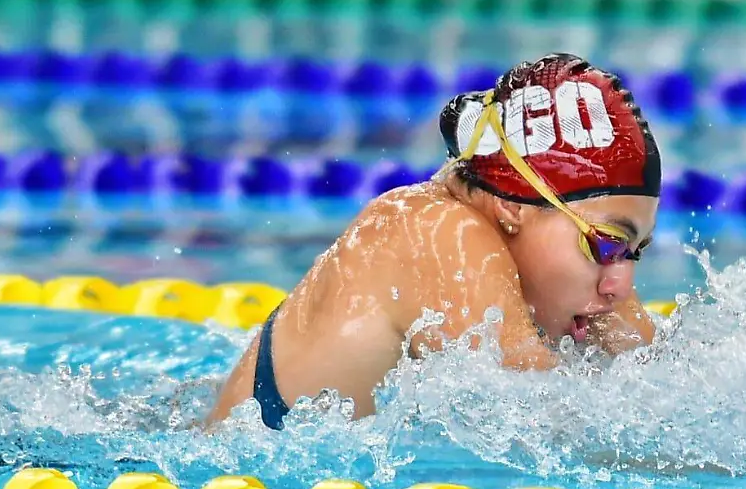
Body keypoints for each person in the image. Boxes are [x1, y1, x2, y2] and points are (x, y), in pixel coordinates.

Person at [206, 53, 663, 429]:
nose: (620, 284)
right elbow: (563, 426)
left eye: (632, 251)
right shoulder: (439, 232)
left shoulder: (581, 265)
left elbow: (657, 381)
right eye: (606, 245)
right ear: (514, 206)